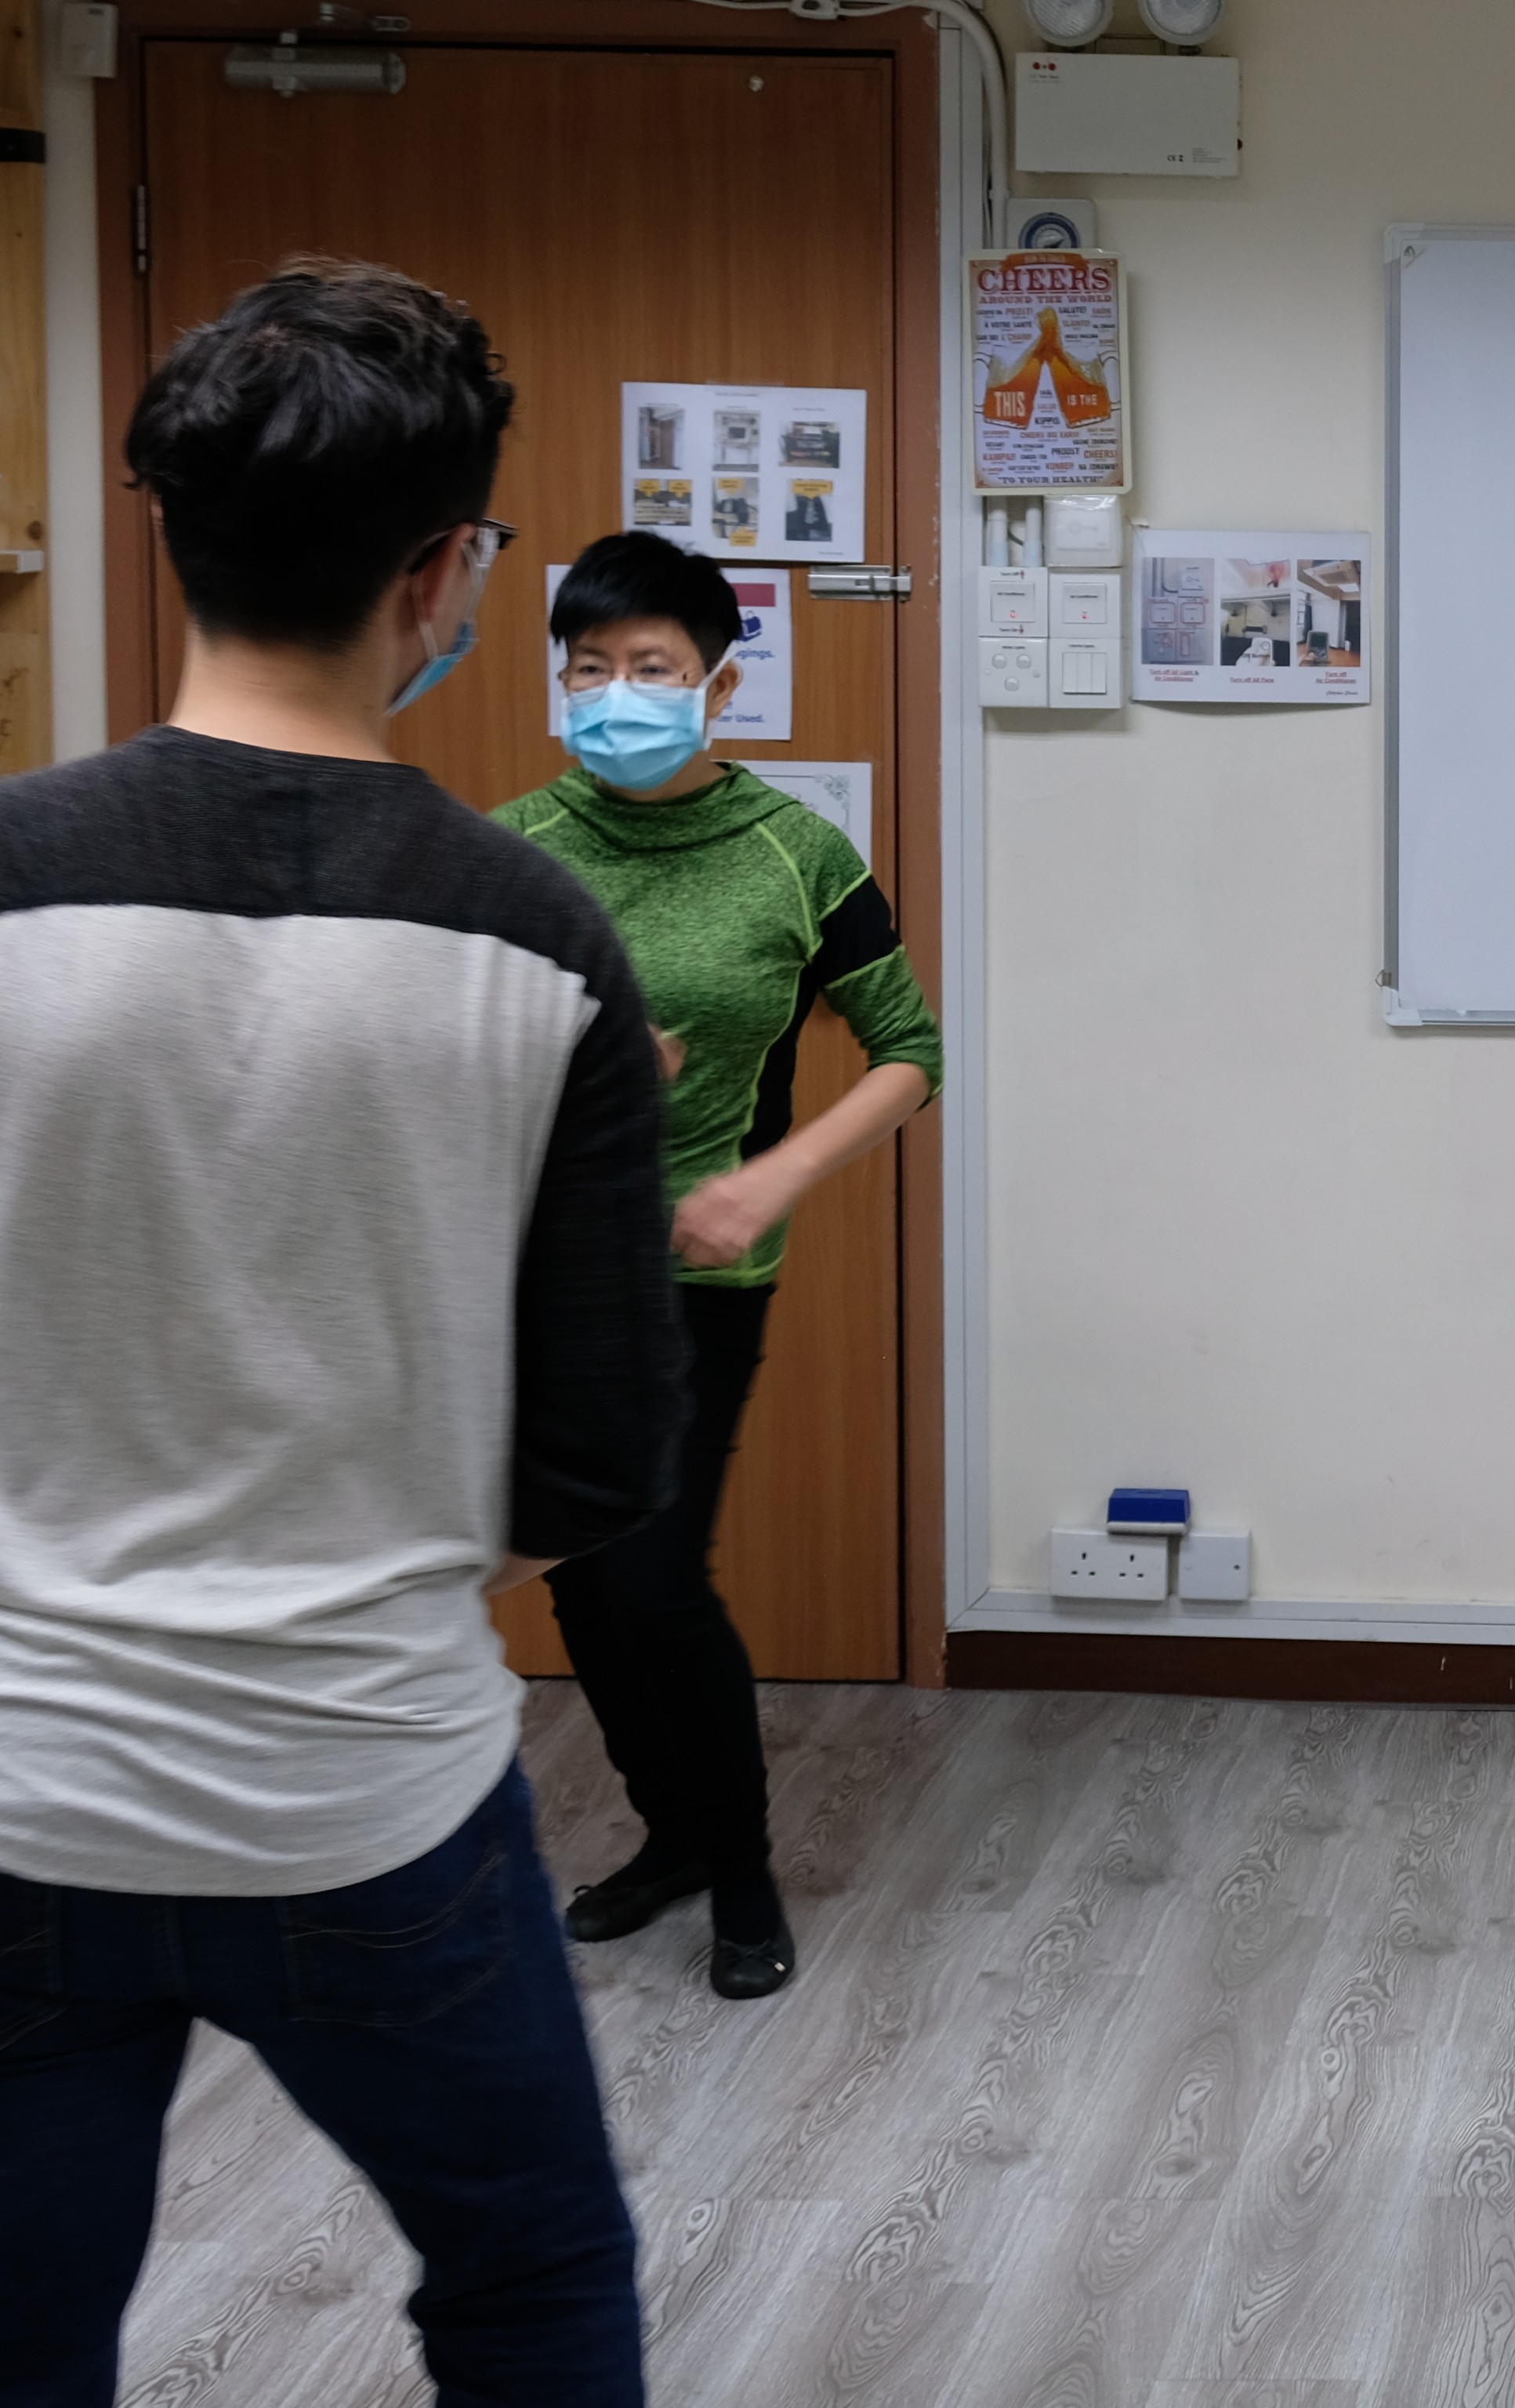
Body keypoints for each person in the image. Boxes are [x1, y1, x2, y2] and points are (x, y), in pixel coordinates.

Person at [0, 259, 686, 2406]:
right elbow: (608, 1457)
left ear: (170, 531)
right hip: (364, 1795)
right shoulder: (541, 943)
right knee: (532, 2290)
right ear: (443, 574)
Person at [497, 531, 944, 2002]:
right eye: (592, 670)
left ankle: (739, 1858)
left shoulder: (795, 852)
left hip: (701, 1275)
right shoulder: (509, 851)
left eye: (654, 670)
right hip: (533, 1272)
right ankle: (672, 1833)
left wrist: (772, 1176)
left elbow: (909, 1055)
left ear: (719, 684)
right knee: (580, 1577)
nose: (619, 695)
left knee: (657, 1577)